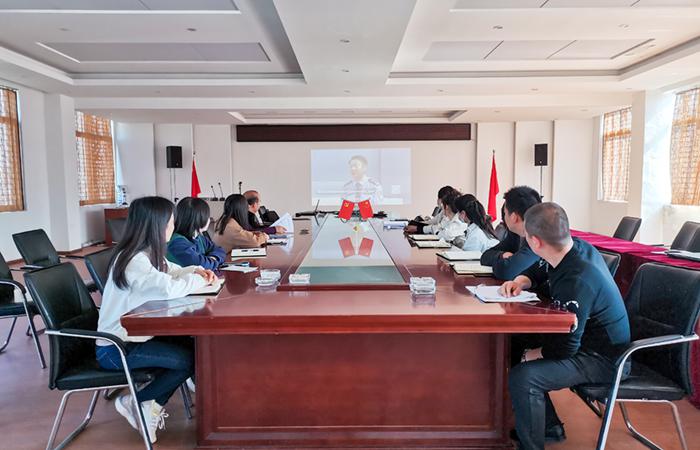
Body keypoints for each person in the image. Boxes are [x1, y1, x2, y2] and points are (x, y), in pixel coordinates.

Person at [499, 203, 630, 450]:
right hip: (586, 343)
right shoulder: (571, 247)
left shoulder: (577, 280)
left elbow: (565, 348)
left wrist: (529, 355)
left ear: (535, 242)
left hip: (605, 359)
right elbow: (540, 268)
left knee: (524, 376)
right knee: (513, 342)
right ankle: (548, 426)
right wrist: (521, 280)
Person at [96, 196, 217, 444]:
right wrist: (200, 279)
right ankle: (138, 402)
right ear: (156, 225)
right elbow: (168, 288)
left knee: (196, 347)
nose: (173, 226)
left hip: (136, 338)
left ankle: (149, 404)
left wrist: (195, 271)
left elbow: (171, 271)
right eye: (170, 222)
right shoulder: (134, 261)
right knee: (190, 359)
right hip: (117, 348)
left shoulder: (146, 254)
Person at [480, 186, 542, 279]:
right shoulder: (515, 235)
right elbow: (485, 256)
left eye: (505, 213)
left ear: (513, 217)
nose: (504, 217)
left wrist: (508, 262)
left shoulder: (537, 237)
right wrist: (502, 255)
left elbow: (505, 271)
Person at [167, 197, 226, 270]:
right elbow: (201, 266)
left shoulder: (199, 237)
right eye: (207, 216)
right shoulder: (177, 243)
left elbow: (220, 250)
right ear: (199, 219)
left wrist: (212, 258)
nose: (209, 219)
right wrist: (213, 260)